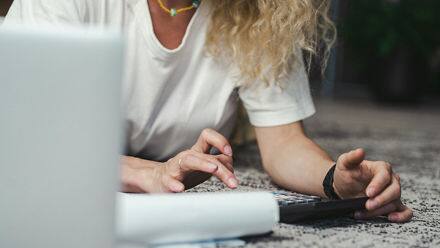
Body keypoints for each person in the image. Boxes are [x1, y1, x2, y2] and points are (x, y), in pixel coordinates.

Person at [4, 0, 412, 222]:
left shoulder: (262, 12)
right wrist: (148, 172)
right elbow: (24, 137)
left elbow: (284, 141)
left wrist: (335, 181)